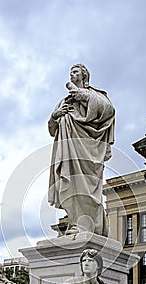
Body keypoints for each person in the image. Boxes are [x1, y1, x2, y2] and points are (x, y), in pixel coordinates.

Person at [48, 64, 115, 236]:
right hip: (67, 148)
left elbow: (108, 110)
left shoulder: (95, 95)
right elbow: (52, 129)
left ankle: (89, 225)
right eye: (70, 72)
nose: (72, 74)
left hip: (87, 148)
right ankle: (76, 223)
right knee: (70, 184)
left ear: (84, 75)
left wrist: (78, 93)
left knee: (86, 185)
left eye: (75, 71)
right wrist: (55, 116)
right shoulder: (64, 102)